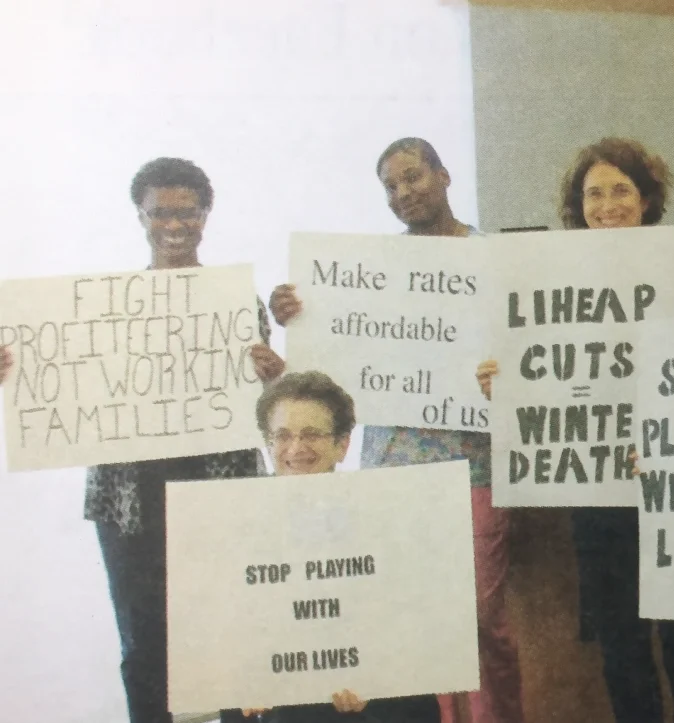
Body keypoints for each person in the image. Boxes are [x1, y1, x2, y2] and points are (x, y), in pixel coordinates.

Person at [0, 158, 287, 723]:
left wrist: (275, 375)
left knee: (232, 638)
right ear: (140, 215)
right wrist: (12, 370)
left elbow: (263, 407)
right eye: (161, 213)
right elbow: (53, 378)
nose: (174, 225)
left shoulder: (236, 300)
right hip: (128, 501)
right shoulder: (96, 310)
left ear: (207, 214)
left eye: (187, 212)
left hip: (220, 494)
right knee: (144, 648)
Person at [269, 138, 525, 723]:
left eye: (413, 177)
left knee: (481, 622)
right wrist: (295, 314)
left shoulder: (496, 258)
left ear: (444, 175)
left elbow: (528, 352)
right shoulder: (367, 272)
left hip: (475, 469)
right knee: (408, 621)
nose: (403, 192)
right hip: (389, 476)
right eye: (390, 185)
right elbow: (326, 363)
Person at [477, 137, 674, 723]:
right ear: (577, 205)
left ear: (647, 198)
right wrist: (504, 383)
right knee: (621, 645)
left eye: (621, 189)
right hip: (600, 487)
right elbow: (536, 370)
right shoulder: (548, 284)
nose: (608, 204)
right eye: (594, 193)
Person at [222, 370, 441, 723]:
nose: (296, 449)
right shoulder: (232, 523)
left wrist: (375, 679)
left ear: (342, 445)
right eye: (283, 436)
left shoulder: (386, 517)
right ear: (268, 443)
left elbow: (408, 629)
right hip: (274, 693)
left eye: (311, 435)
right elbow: (226, 629)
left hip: (368, 695)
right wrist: (245, 678)